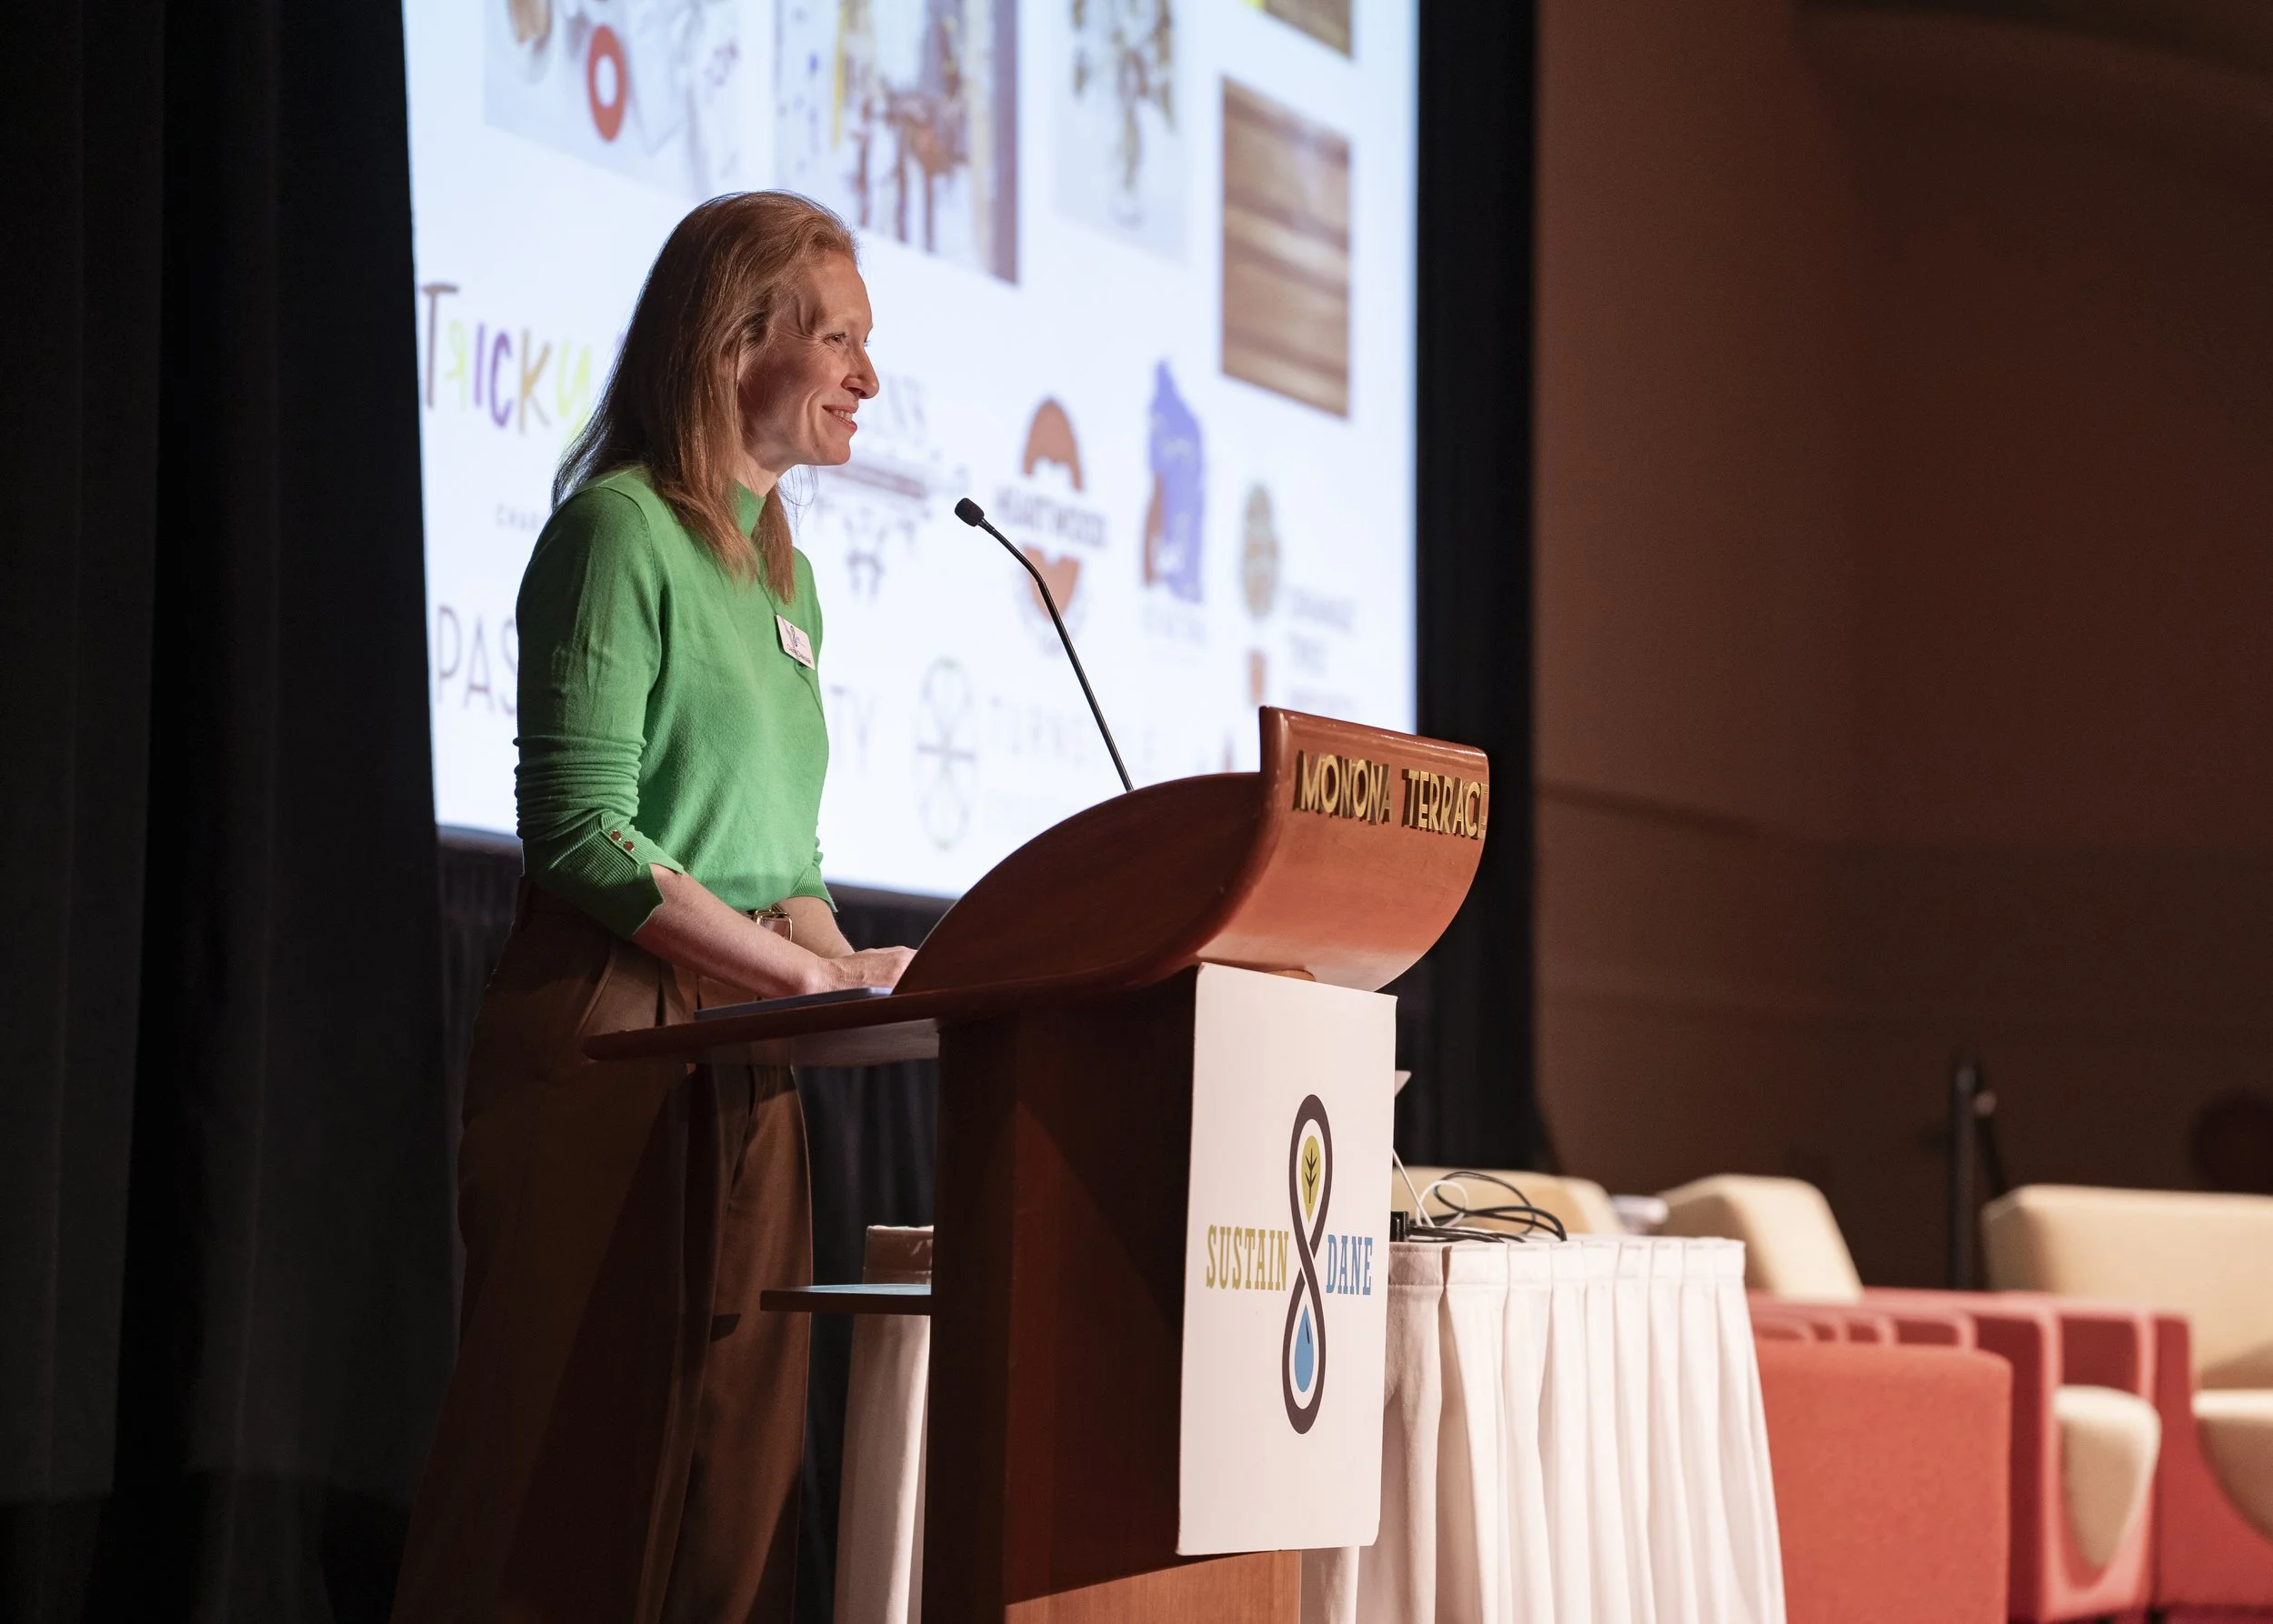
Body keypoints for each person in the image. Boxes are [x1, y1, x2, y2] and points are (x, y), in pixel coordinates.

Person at [392, 192, 912, 1624]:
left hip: (748, 1056)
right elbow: (582, 836)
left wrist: (859, 967)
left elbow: (777, 857)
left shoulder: (784, 570)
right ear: (738, 336)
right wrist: (803, 982)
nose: (870, 379)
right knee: (565, 1495)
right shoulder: (618, 529)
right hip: (609, 1038)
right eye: (843, 340)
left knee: (731, 1490)